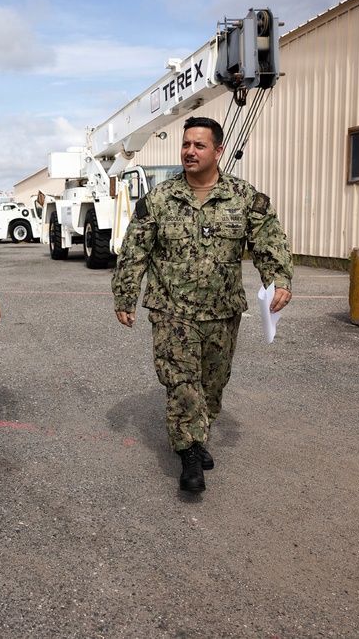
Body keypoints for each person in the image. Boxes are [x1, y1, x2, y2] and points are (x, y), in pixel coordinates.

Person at [112, 116, 293, 493]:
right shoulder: (160, 199)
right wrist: (126, 295)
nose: (189, 152)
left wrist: (279, 281)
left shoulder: (244, 197)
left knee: (213, 382)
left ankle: (200, 429)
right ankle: (190, 451)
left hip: (222, 310)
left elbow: (268, 243)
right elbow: (134, 251)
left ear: (218, 150)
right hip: (171, 310)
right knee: (180, 382)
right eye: (185, 145)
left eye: (199, 145)